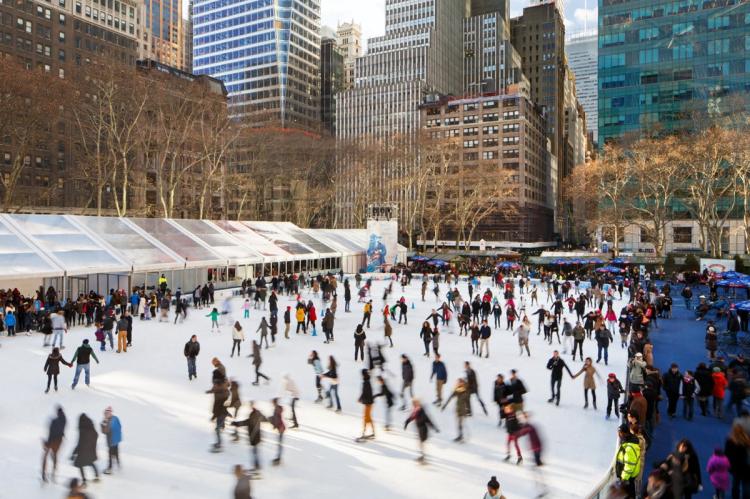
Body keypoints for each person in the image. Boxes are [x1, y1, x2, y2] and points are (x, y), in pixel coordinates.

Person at [231, 402, 267, 471]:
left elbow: (247, 422)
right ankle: (257, 466)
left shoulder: (254, 415)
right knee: (255, 452)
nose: (250, 407)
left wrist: (236, 423)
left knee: (255, 453)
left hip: (254, 437)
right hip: (256, 437)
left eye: (251, 405)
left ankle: (256, 467)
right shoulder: (257, 414)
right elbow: (264, 419)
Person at [404, 398, 439, 463]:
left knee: (421, 444)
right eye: (413, 404)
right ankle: (423, 456)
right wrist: (406, 422)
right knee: (420, 444)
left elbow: (428, 420)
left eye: (414, 403)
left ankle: (423, 457)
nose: (413, 405)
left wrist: (434, 428)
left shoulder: (421, 411)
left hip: (423, 429)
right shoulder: (416, 410)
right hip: (420, 429)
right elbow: (412, 417)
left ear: (417, 403)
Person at [71, 413, 99, 484]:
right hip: (91, 451)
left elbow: (80, 442)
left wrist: (74, 452)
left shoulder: (82, 429)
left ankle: (84, 480)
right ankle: (97, 476)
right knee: (90, 462)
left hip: (83, 451)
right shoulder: (91, 428)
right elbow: (96, 435)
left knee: (80, 464)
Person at [725, 421, 750, 499]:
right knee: (746, 484)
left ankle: (735, 496)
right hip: (746, 465)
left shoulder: (729, 440)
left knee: (735, 483)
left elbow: (726, 453)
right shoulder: (746, 440)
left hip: (735, 465)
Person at [615, 424, 641, 497]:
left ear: (623, 433)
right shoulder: (627, 441)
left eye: (619, 432)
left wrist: (623, 479)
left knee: (628, 494)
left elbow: (629, 465)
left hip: (627, 478)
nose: (618, 434)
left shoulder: (629, 447)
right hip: (627, 477)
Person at [442, 378, 471, 442]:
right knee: (458, 424)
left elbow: (468, 401)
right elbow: (450, 397)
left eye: (460, 382)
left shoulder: (466, 390)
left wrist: (469, 411)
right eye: (458, 382)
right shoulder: (457, 390)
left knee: (460, 424)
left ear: (463, 383)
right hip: (458, 409)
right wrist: (445, 405)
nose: (459, 383)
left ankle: (462, 436)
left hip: (463, 410)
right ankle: (460, 436)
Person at [41, 406, 66, 483]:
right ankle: (53, 473)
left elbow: (51, 433)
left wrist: (47, 443)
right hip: (59, 440)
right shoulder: (64, 419)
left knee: (45, 456)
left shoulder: (54, 421)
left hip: (51, 440)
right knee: (55, 455)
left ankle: (44, 473)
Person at [206, 377, 230, 451]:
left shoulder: (220, 394)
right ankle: (219, 442)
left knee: (217, 430)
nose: (214, 386)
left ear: (217, 385)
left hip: (221, 414)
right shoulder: (221, 391)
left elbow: (219, 407)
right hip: (221, 413)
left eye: (214, 385)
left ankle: (219, 444)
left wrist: (214, 416)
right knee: (218, 429)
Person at [100, 406, 122, 474]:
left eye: (107, 413)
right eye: (105, 413)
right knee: (116, 452)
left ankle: (110, 468)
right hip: (116, 440)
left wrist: (103, 424)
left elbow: (105, 431)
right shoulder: (116, 418)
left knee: (110, 455)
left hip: (111, 441)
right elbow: (120, 426)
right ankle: (118, 464)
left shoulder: (108, 421)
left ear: (109, 413)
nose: (106, 414)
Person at [358, 369, 376, 440]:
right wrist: (361, 398)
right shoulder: (367, 382)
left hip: (368, 403)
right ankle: (372, 432)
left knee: (366, 418)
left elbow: (366, 393)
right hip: (368, 403)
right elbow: (365, 393)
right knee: (368, 418)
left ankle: (365, 433)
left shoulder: (366, 383)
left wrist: (361, 398)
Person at [268, 398, 285, 465]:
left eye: (273, 403)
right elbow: (276, 418)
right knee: (279, 444)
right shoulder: (277, 408)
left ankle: (279, 458)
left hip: (281, 428)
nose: (272, 404)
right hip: (281, 428)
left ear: (275, 403)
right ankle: (278, 458)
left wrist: (273, 423)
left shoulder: (277, 409)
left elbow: (277, 419)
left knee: (279, 444)